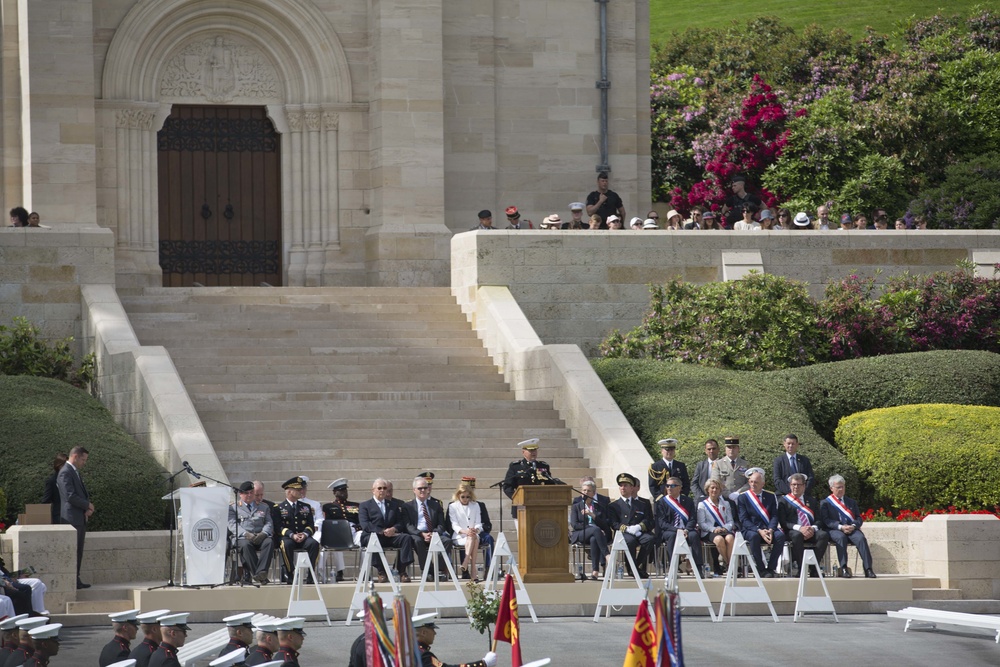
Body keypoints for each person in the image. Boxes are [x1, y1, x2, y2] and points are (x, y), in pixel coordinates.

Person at [820, 474, 876, 579]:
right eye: (838, 487)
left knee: (861, 538)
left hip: (851, 529)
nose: (841, 489)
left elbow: (859, 518)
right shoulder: (825, 503)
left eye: (843, 487)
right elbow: (826, 520)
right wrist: (840, 527)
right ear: (832, 488)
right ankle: (844, 567)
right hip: (835, 530)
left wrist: (854, 526)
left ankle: (868, 569)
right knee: (841, 538)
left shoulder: (851, 502)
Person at [358, 478, 414, 583]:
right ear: (373, 490)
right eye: (379, 488)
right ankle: (381, 572)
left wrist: (394, 529)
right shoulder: (365, 505)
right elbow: (365, 524)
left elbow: (400, 522)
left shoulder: (393, 505)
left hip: (390, 536)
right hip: (374, 535)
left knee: (406, 538)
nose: (382, 490)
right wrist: (382, 531)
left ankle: (401, 571)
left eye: (384, 488)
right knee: (373, 540)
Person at [737, 468, 785, 578]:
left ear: (763, 483)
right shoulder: (743, 497)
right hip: (751, 529)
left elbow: (774, 515)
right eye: (751, 482)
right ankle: (761, 569)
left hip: (768, 528)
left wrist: (771, 529)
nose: (753, 484)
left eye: (756, 482)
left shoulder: (770, 496)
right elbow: (744, 519)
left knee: (780, 536)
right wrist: (759, 530)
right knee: (754, 537)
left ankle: (771, 568)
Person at [778, 473, 829, 577]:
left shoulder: (811, 501)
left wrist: (812, 528)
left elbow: (819, 520)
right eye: (793, 484)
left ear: (804, 486)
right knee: (797, 535)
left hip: (810, 531)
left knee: (823, 535)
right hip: (793, 531)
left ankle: (814, 568)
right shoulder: (783, 501)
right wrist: (800, 528)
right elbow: (783, 522)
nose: (796, 487)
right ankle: (802, 568)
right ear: (790, 486)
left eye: (799, 485)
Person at [57, 445, 93, 589]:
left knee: (79, 550)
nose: (84, 462)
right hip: (71, 518)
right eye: (83, 459)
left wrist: (86, 507)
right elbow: (70, 496)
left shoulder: (74, 472)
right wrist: (88, 505)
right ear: (75, 456)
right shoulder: (65, 472)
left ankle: (76, 579)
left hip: (79, 517)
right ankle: (73, 580)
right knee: (74, 550)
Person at [609, 473, 654, 579]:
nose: (622, 488)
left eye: (625, 485)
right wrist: (627, 529)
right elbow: (613, 523)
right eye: (621, 485)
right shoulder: (613, 505)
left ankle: (635, 566)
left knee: (650, 538)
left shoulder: (641, 504)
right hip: (623, 533)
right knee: (630, 541)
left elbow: (649, 519)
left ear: (632, 488)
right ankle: (633, 569)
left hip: (639, 531)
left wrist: (639, 527)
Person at [229, 481, 274, 585]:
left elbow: (268, 522)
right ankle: (260, 576)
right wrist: (246, 534)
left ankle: (260, 572)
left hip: (259, 536)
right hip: (243, 538)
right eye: (246, 493)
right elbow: (232, 524)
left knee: (269, 542)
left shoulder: (263, 506)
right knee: (246, 545)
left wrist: (264, 533)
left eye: (251, 492)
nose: (249, 495)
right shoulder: (233, 508)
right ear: (240, 494)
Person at [276, 476, 320, 584]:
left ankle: (311, 575)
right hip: (289, 538)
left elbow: (310, 525)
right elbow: (278, 527)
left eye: (301, 488)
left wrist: (305, 534)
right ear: (290, 491)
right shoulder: (279, 508)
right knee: (285, 545)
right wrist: (291, 535)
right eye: (298, 489)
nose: (301, 491)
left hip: (303, 537)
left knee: (314, 544)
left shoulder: (306, 507)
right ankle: (290, 573)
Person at [405, 476, 452, 575]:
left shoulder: (435, 505)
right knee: (417, 541)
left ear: (428, 489)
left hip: (433, 533)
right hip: (418, 534)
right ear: (414, 490)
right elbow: (408, 525)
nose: (423, 490)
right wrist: (422, 534)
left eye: (425, 488)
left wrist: (433, 534)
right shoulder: (407, 506)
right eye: (420, 488)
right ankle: (427, 570)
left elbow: (441, 524)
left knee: (447, 541)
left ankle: (437, 569)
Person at [655, 476, 702, 573]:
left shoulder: (688, 501)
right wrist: (677, 530)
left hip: (686, 530)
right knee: (672, 536)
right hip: (670, 531)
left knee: (694, 535)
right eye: (667, 486)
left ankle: (698, 568)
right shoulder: (661, 502)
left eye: (672, 486)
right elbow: (662, 522)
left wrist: (687, 530)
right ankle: (673, 567)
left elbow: (692, 519)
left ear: (679, 488)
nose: (669, 488)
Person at [414, 614, 497, 667]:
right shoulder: (423, 655)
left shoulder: (410, 650)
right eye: (432, 629)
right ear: (424, 633)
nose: (435, 633)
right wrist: (483, 663)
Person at [501, 438, 556, 518]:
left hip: (540, 506)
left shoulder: (543, 466)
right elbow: (507, 486)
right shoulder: (516, 466)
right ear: (523, 452)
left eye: (535, 450)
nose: (533, 453)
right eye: (531, 451)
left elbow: (550, 484)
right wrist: (517, 499)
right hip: (521, 507)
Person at [569, 480, 610, 580]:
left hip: (595, 536)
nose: (585, 493)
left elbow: (605, 524)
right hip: (580, 534)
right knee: (596, 530)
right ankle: (607, 555)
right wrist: (592, 528)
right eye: (584, 490)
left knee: (594, 539)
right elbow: (575, 525)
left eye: (588, 491)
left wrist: (592, 515)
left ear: (594, 493)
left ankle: (595, 572)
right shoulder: (576, 507)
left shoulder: (598, 507)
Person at [322, 478, 361, 582]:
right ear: (335, 492)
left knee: (363, 537)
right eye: (341, 491)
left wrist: (357, 528)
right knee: (334, 540)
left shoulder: (356, 505)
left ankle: (364, 571)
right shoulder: (328, 507)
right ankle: (338, 571)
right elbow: (327, 522)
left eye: (345, 490)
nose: (344, 493)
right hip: (337, 532)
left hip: (353, 531)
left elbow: (361, 521)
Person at [697, 479, 735, 575]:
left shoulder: (725, 504)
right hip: (709, 532)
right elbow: (702, 523)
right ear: (708, 490)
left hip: (724, 530)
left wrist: (726, 528)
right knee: (719, 539)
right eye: (712, 488)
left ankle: (729, 565)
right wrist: (714, 529)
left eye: (717, 488)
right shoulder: (702, 504)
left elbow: (730, 521)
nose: (714, 490)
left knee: (730, 538)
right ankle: (730, 564)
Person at [448, 484, 483, 580]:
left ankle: (466, 561)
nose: (465, 499)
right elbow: (454, 525)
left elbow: (478, 523)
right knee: (473, 539)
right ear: (458, 495)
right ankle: (473, 570)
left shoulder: (475, 505)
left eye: (468, 497)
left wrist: (475, 529)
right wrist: (465, 531)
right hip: (460, 536)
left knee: (473, 537)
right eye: (463, 497)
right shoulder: (453, 506)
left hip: (473, 534)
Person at [710, 436, 750, 503]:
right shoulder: (718, 464)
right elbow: (715, 482)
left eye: (734, 447)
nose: (731, 450)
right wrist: (728, 494)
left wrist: (738, 493)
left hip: (742, 499)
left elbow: (750, 482)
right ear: (725, 449)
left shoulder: (745, 464)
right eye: (729, 447)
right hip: (723, 499)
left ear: (738, 449)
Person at [40, 453, 67, 525]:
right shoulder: (52, 481)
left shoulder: (71, 479)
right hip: (58, 516)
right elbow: (46, 500)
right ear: (58, 466)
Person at [691, 439, 720, 503]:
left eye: (714, 448)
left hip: (720, 499)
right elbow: (694, 484)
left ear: (718, 449)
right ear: (705, 451)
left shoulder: (724, 464)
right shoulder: (700, 465)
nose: (711, 451)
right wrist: (700, 496)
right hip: (702, 500)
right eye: (709, 449)